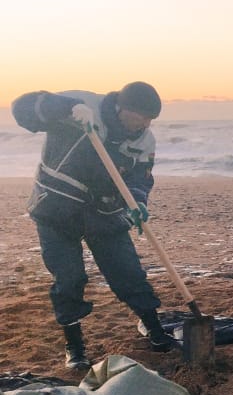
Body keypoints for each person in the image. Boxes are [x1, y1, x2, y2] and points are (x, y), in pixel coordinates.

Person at [12, 82, 177, 371]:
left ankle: (153, 327)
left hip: (104, 212)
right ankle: (74, 346)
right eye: (141, 117)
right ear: (122, 109)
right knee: (69, 278)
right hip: (56, 209)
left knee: (128, 272)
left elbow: (141, 177)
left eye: (150, 120)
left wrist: (137, 202)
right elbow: (22, 109)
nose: (146, 124)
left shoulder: (144, 139)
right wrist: (66, 108)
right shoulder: (81, 106)